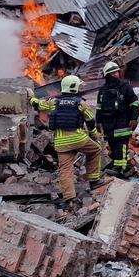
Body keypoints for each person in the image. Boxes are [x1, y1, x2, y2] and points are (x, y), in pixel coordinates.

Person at [29, 74, 103, 209]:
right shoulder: (81, 103)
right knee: (96, 150)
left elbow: (38, 105)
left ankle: (69, 199)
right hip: (79, 139)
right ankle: (93, 180)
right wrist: (93, 135)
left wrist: (31, 97)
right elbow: (90, 121)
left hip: (61, 142)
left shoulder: (54, 102)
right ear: (74, 87)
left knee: (65, 169)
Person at [96, 61, 139, 177]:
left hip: (122, 123)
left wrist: (134, 118)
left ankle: (120, 170)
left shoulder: (125, 87)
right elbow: (99, 108)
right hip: (108, 125)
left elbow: (135, 103)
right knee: (113, 147)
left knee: (121, 146)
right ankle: (123, 167)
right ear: (107, 75)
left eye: (116, 72)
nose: (115, 74)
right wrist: (98, 122)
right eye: (112, 73)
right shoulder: (102, 90)